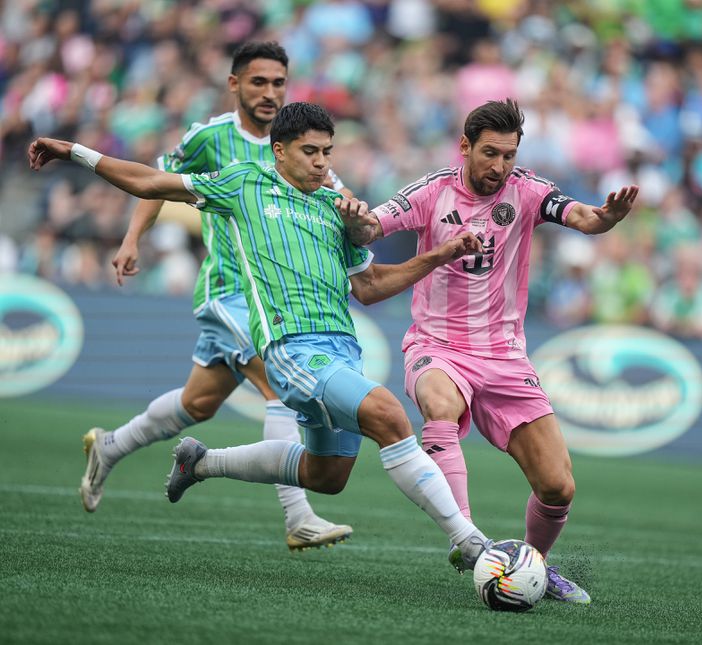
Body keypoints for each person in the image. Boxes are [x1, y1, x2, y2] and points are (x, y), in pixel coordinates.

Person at [29, 101, 493, 574]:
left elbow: (370, 287)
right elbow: (150, 182)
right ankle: (471, 541)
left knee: (327, 475)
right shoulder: (244, 183)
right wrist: (74, 152)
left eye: (327, 152)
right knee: (389, 415)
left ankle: (201, 464)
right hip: (293, 349)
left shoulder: (332, 208)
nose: (321, 163)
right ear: (280, 150)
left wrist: (439, 255)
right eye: (310, 151)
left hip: (342, 351)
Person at [338, 98, 639, 604]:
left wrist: (605, 219)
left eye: (509, 155)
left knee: (558, 486)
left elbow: (581, 215)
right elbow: (371, 227)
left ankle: (533, 567)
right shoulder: (431, 191)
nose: (500, 166)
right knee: (439, 404)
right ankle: (467, 538)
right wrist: (353, 220)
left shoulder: (527, 190)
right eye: (490, 153)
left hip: (504, 355)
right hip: (438, 344)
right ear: (465, 146)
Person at [80, 42, 350, 551]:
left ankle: (110, 446)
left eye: (278, 83)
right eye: (258, 82)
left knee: (197, 403)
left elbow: (338, 197)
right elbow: (156, 182)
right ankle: (298, 517)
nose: (269, 92)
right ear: (235, 84)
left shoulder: (301, 145)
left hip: (275, 300)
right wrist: (132, 238)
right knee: (280, 384)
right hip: (229, 291)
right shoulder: (211, 137)